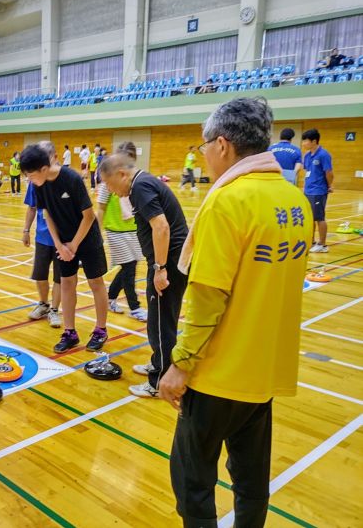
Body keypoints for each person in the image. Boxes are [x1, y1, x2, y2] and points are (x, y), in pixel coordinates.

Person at [159, 97, 313, 528]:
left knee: (193, 480)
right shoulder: (293, 200)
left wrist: (180, 363)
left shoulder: (228, 201)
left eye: (205, 144)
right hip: (263, 370)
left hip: (218, 372)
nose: (204, 153)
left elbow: (206, 296)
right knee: (250, 478)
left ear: (223, 145)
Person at [99, 143, 189, 398]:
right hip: (166, 261)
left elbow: (161, 227)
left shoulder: (140, 186)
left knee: (161, 322)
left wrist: (160, 269)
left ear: (122, 174)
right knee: (159, 320)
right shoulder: (143, 183)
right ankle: (160, 362)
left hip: (168, 262)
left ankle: (159, 381)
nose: (113, 193)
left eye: (110, 184)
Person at [20, 144, 109, 354]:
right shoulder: (38, 185)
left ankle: (100, 330)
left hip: (87, 238)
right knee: (67, 283)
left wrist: (74, 245)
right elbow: (47, 214)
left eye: (30, 175)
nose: (29, 180)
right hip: (64, 241)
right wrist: (60, 245)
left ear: (43, 168)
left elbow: (89, 216)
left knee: (96, 282)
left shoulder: (72, 179)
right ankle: (70, 333)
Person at [96, 144, 147, 322]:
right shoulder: (107, 183)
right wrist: (97, 234)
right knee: (129, 269)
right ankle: (135, 307)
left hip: (133, 229)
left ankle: (110, 298)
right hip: (115, 230)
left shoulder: (134, 180)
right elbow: (100, 209)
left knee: (129, 266)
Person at [23, 141, 62, 328]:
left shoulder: (64, 180)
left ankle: (55, 310)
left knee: (60, 277)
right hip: (42, 236)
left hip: (62, 238)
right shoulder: (35, 182)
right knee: (40, 274)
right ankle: (44, 304)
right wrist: (26, 230)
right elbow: (32, 208)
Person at [301, 128, 334, 252]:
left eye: (305, 141)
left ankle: (323, 245)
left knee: (319, 218)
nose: (303, 143)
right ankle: (311, 241)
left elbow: (329, 172)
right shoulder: (307, 155)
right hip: (308, 190)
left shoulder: (323, 154)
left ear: (314, 141)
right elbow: (308, 171)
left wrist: (330, 185)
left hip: (318, 191)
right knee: (310, 218)